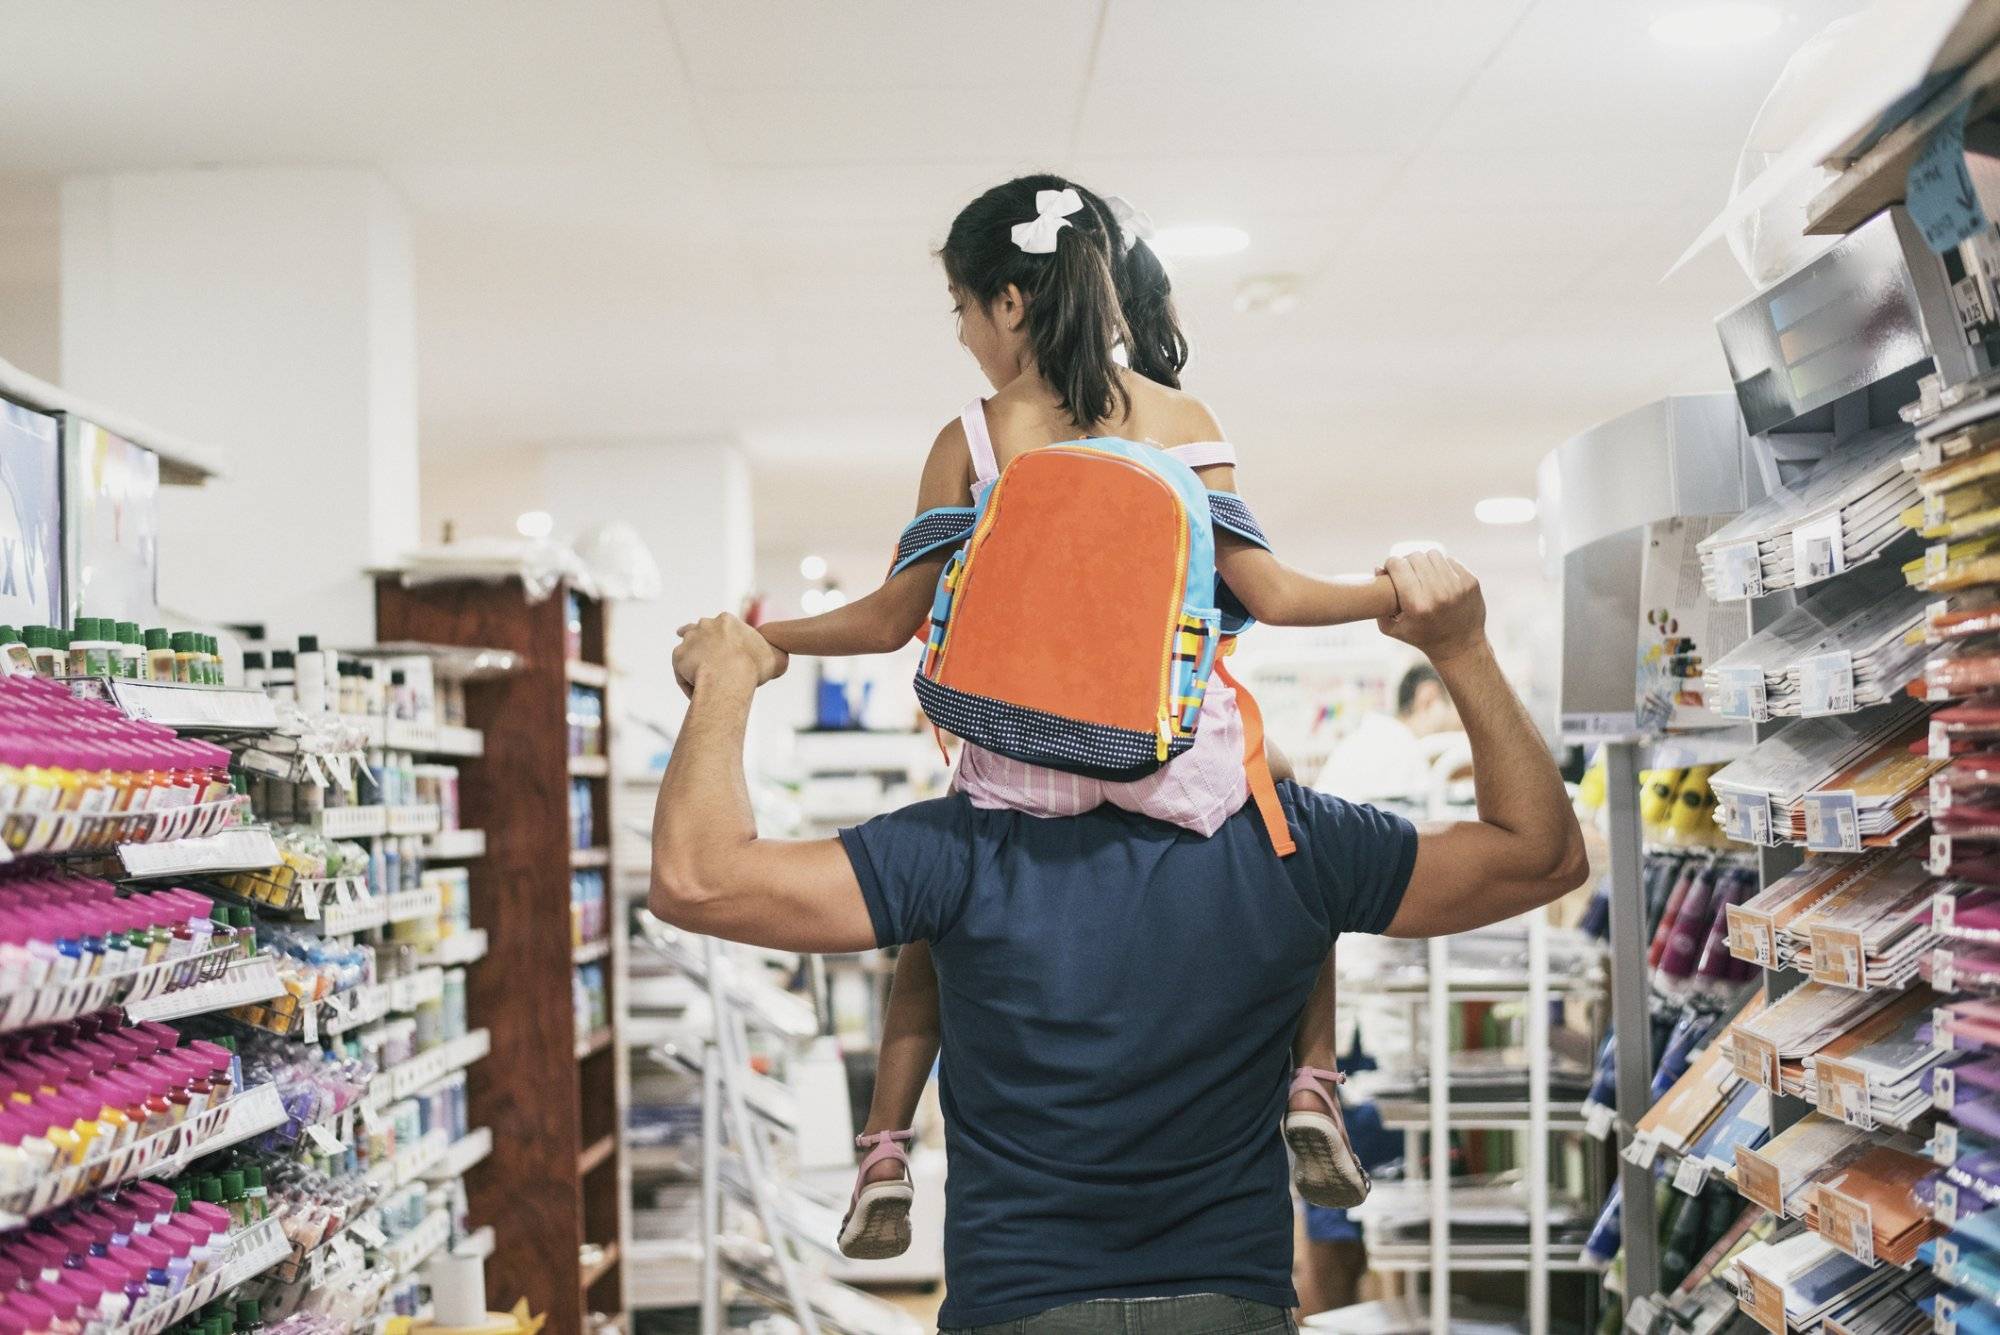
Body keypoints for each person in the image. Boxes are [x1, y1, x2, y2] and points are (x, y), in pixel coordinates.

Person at [651, 549, 1589, 1334]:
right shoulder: (1287, 835)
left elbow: (699, 877)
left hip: (1021, 1300)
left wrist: (730, 677)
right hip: (1229, 1300)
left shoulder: (960, 846)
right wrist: (1460, 647)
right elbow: (1540, 857)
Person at [751, 175, 1398, 1254]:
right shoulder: (1185, 423)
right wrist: (1397, 592)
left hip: (1020, 768)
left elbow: (888, 618)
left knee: (933, 923)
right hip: (1173, 758)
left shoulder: (977, 435)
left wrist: (766, 640)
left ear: (1007, 302)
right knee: (1297, 838)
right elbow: (1275, 599)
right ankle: (1312, 1080)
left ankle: (882, 1145)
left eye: (959, 307)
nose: (960, 334)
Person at [1314, 662, 1465, 806]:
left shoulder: (1373, 739)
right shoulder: (1399, 751)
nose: (1463, 724)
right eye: (1460, 708)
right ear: (1428, 698)